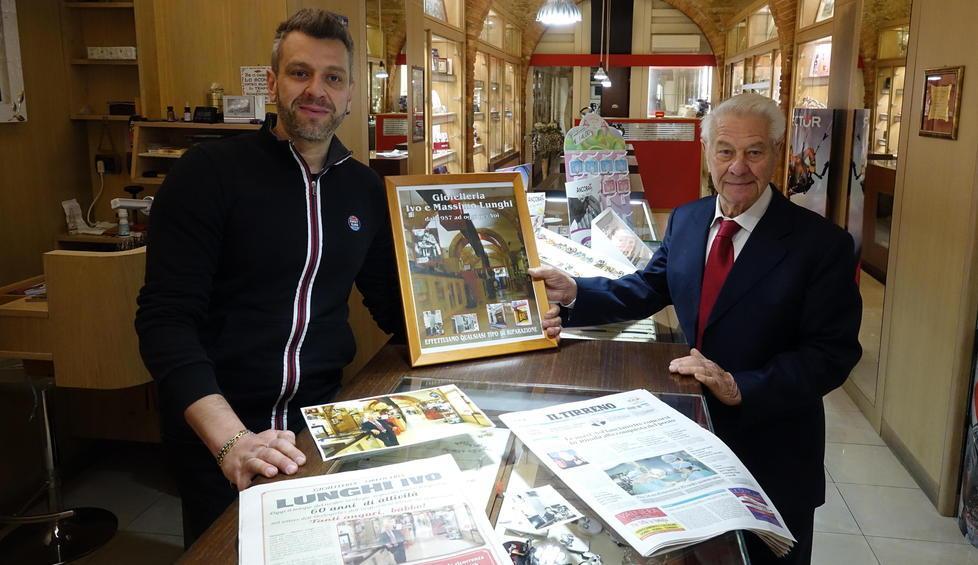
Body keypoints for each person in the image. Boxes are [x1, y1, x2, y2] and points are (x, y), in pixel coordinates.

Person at [529, 93, 862, 565]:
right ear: (706, 153)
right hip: (686, 441)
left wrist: (739, 386)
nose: (739, 167)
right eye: (725, 150)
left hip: (772, 449)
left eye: (755, 151)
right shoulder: (687, 220)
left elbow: (832, 354)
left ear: (777, 154)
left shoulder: (821, 245)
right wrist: (575, 294)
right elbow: (646, 288)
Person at [134, 9, 403, 547]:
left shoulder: (363, 189)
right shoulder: (207, 173)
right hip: (220, 429)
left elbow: (393, 303)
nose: (316, 90)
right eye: (300, 73)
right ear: (273, 81)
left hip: (319, 426)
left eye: (333, 77)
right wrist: (231, 439)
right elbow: (165, 320)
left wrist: (490, 325)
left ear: (351, 94)